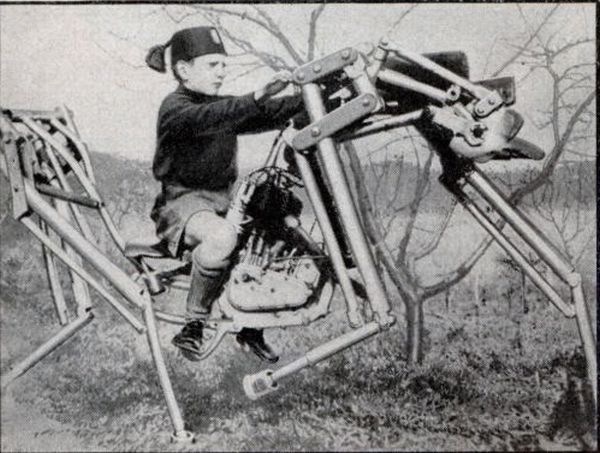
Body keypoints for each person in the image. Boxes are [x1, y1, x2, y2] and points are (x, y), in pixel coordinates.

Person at [145, 26, 303, 362]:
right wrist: (258, 95)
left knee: (279, 226)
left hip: (223, 201)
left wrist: (315, 97)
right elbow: (215, 116)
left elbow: (268, 112)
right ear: (184, 70)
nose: (222, 71)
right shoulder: (176, 108)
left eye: (223, 65)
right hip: (182, 204)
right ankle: (194, 324)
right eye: (213, 65)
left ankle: (250, 323)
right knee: (222, 237)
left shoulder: (222, 107)